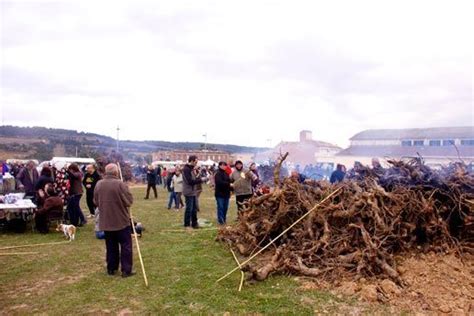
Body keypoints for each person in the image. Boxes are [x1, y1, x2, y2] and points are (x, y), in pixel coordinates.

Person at [94, 163, 134, 278]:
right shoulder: (120, 184)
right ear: (116, 172)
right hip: (121, 221)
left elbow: (95, 201)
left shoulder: (99, 184)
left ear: (106, 172)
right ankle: (126, 270)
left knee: (111, 246)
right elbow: (129, 201)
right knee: (126, 246)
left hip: (106, 221)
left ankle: (111, 268)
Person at [182, 156, 207, 230]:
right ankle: (187, 225)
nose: (196, 163)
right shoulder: (186, 169)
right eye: (196, 162)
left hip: (193, 191)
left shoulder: (191, 169)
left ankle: (194, 223)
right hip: (189, 192)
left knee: (194, 209)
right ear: (191, 161)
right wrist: (200, 180)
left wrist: (199, 177)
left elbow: (194, 179)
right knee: (189, 209)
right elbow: (190, 181)